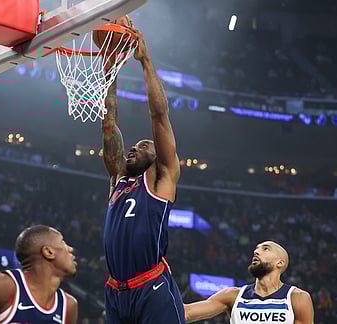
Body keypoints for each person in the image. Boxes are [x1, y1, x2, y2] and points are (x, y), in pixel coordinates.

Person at [101, 25, 185, 323]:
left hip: (152, 286)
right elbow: (109, 122)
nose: (133, 149)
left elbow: (159, 116)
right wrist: (110, 71)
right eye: (132, 147)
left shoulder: (162, 179)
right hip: (115, 292)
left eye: (143, 146)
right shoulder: (119, 179)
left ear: (157, 156)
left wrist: (145, 61)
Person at [184, 241, 314, 324]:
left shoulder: (297, 298)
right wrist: (164, 277)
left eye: (266, 249)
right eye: (257, 249)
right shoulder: (232, 295)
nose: (256, 251)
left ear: (280, 263)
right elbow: (186, 313)